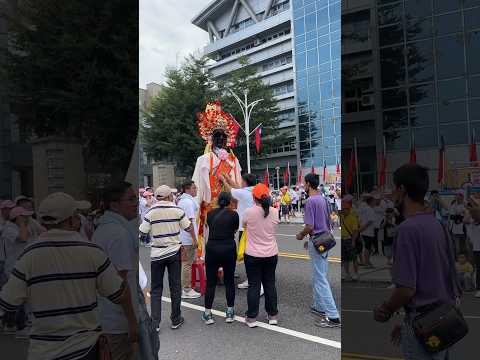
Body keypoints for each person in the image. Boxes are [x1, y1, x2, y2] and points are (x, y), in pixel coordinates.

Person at [0, 192, 138, 360]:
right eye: (76, 216)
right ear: (71, 220)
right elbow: (119, 294)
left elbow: (7, 301)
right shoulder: (92, 252)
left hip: (43, 352)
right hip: (85, 350)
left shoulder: (28, 256)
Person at [374, 164, 457, 360]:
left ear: (402, 190)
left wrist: (385, 310)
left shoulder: (407, 230)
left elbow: (406, 289)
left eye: (394, 188)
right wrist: (405, 322)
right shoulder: (438, 225)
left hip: (423, 325)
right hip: (445, 319)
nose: (392, 195)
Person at [93, 182, 140, 360]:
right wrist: (132, 322)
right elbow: (119, 285)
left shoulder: (105, 228)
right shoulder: (118, 233)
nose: (136, 202)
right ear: (114, 205)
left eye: (135, 198)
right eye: (130, 199)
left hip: (108, 317)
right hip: (118, 322)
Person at [139, 185, 195, 331]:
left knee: (156, 289)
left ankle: (155, 323)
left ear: (157, 197)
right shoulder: (177, 210)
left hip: (156, 254)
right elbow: (188, 227)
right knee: (175, 287)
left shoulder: (150, 212)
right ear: (170, 196)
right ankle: (176, 319)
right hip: (174, 252)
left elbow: (142, 232)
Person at [297, 174, 340, 328]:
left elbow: (309, 226)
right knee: (319, 275)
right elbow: (330, 221)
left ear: (308, 184)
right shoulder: (323, 199)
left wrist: (301, 235)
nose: (303, 186)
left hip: (317, 239)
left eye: (304, 184)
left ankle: (333, 316)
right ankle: (319, 306)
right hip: (325, 239)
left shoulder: (310, 201)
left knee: (320, 279)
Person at [243, 183, 279, 328]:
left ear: (254, 197)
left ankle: (251, 317)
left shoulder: (249, 212)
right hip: (271, 253)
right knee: (270, 283)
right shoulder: (275, 212)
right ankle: (272, 315)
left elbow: (244, 225)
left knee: (254, 285)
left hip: (252, 254)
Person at [201, 192, 239, 325]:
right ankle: (229, 312)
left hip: (212, 248)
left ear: (217, 201)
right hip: (228, 248)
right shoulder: (234, 214)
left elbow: (209, 227)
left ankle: (207, 313)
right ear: (229, 202)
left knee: (211, 282)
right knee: (229, 281)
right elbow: (235, 230)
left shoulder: (210, 214)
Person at [177, 180, 201, 299]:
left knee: (186, 263)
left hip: (185, 237)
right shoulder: (187, 202)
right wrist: (194, 239)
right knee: (187, 264)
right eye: (194, 188)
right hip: (187, 238)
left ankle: (186, 287)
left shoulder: (184, 201)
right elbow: (190, 223)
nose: (196, 190)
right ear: (187, 189)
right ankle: (186, 289)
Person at [340, 195, 360, 281]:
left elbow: (355, 231)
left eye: (344, 209)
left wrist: (353, 241)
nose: (342, 210)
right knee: (344, 259)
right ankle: (346, 273)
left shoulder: (352, 216)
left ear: (348, 209)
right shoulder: (341, 216)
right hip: (342, 239)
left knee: (354, 258)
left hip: (349, 239)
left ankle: (355, 274)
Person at [465, 206, 480, 297]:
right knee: (479, 269)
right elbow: (465, 219)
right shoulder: (471, 224)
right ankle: (479, 289)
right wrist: (469, 212)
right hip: (477, 249)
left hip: (477, 249)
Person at [449, 191, 466, 256]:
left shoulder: (465, 204)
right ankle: (457, 261)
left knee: (464, 247)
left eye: (457, 195)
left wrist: (459, 217)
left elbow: (464, 216)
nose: (456, 196)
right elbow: (452, 217)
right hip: (454, 229)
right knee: (456, 247)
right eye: (455, 195)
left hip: (464, 229)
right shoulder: (453, 204)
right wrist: (459, 216)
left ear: (461, 196)